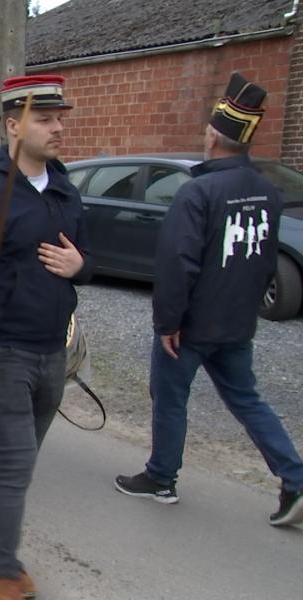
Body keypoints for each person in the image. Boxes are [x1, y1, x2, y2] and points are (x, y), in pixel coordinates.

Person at [114, 73, 303, 527]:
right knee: (247, 400)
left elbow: (178, 265)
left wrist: (167, 323)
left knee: (171, 397)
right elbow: (261, 261)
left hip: (193, 325)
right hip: (237, 323)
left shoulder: (197, 191)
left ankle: (161, 478)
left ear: (215, 136)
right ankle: (295, 477)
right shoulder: (267, 192)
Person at [0, 76, 92, 600]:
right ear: (13, 126)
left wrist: (81, 267)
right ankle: (1, 564)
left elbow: (84, 255)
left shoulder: (66, 188)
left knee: (18, 463)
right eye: (45, 119)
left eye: (60, 118)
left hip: (53, 350)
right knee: (18, 461)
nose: (57, 128)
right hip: (1, 349)